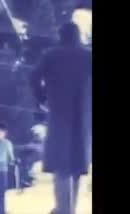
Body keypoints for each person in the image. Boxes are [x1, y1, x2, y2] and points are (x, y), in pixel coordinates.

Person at [30, 22, 92, 214]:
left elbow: (33, 77)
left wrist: (42, 98)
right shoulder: (88, 56)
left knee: (61, 165)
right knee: (77, 164)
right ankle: (70, 208)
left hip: (58, 113)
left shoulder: (51, 55)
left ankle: (63, 209)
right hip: (83, 115)